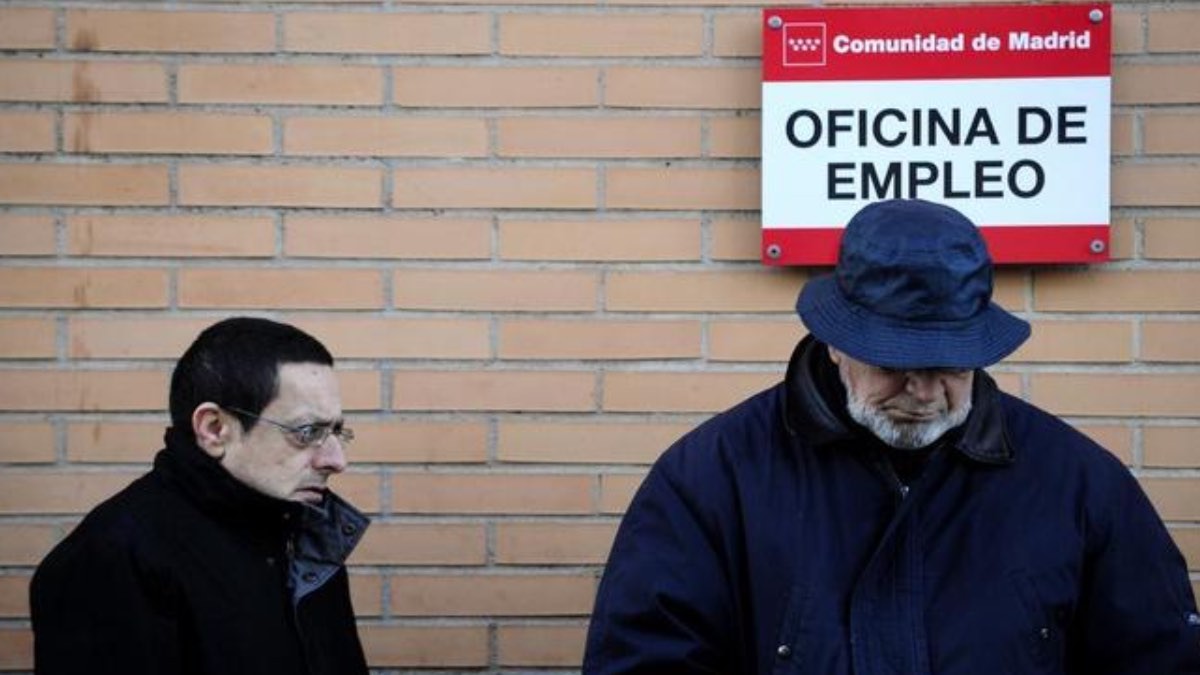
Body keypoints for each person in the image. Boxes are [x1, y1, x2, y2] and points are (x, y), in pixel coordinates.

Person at [583, 199, 1200, 674]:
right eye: (894, 363)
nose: (924, 392)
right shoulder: (710, 480)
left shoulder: (1080, 487)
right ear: (836, 343)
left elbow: (1158, 657)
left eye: (950, 366)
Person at [30, 317, 370, 675]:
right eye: (307, 431)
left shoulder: (301, 527)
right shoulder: (112, 560)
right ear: (214, 429)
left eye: (335, 430)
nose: (336, 460)